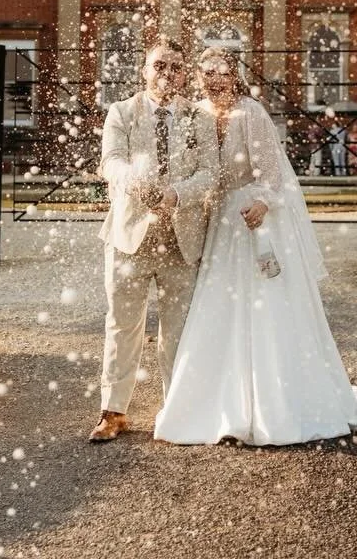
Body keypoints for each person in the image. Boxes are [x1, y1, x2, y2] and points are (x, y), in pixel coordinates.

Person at [153, 46, 357, 446]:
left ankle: (272, 402)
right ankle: (219, 400)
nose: (215, 80)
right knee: (217, 308)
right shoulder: (195, 114)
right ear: (198, 77)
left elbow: (273, 174)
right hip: (217, 226)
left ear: (235, 76)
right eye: (207, 73)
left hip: (251, 220)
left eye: (222, 73)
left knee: (262, 309)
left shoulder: (251, 113)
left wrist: (262, 202)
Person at [89, 38, 219, 443]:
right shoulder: (121, 112)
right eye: (159, 65)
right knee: (122, 325)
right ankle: (114, 411)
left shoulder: (199, 117)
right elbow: (111, 161)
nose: (168, 72)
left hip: (181, 240)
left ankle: (176, 410)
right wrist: (137, 184)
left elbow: (210, 173)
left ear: (184, 74)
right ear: (144, 70)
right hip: (130, 237)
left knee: (177, 329)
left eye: (176, 67)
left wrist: (176, 194)